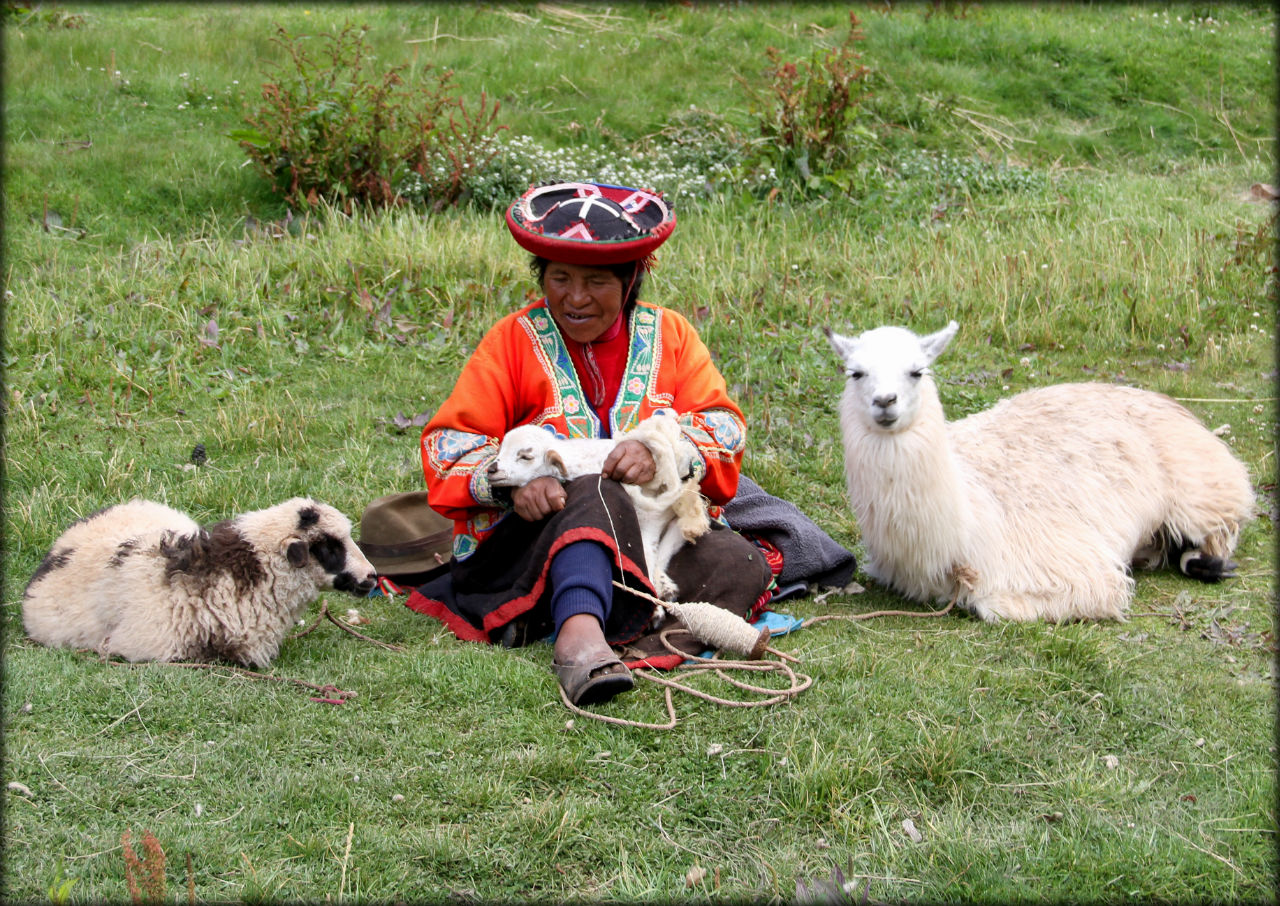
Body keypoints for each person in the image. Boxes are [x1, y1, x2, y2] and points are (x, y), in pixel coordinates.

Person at [405, 181, 773, 707]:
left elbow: (724, 427)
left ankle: (635, 632)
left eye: (596, 281)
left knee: (739, 562)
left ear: (630, 281)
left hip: (649, 539)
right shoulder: (512, 341)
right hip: (537, 539)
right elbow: (447, 445)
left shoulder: (672, 337)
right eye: (560, 278)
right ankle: (579, 643)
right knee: (594, 491)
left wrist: (660, 453)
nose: (575, 298)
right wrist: (516, 489)